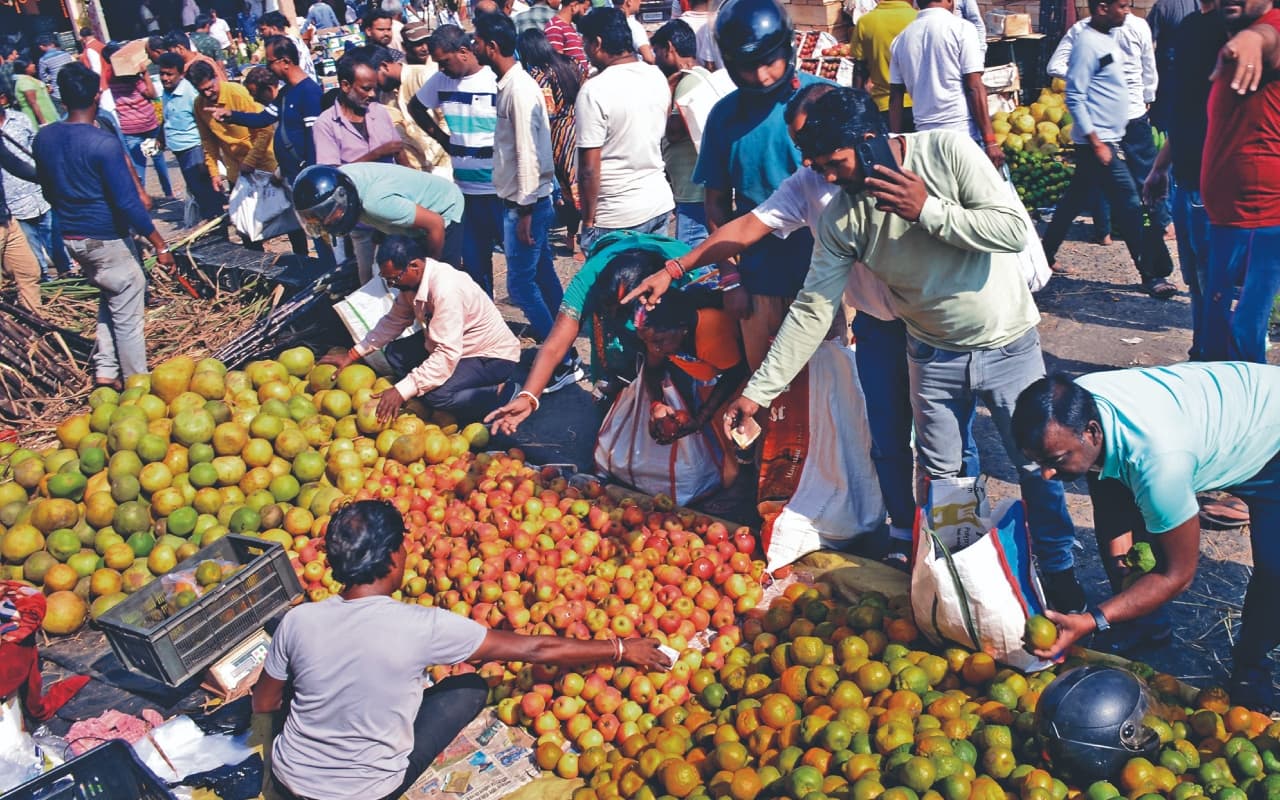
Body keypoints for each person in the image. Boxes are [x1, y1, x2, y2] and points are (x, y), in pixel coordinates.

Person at [720, 87, 1082, 611]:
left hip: (1007, 346)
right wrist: (757, 393)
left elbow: (1011, 231)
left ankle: (1060, 570)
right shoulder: (843, 218)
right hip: (932, 358)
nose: (828, 178)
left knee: (1035, 463)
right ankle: (963, 581)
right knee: (946, 482)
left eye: (835, 163)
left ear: (869, 141)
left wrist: (928, 210)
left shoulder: (948, 152)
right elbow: (812, 309)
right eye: (819, 167)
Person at [624, 82, 982, 565]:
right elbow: (753, 237)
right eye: (803, 147)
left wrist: (928, 210)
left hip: (937, 327)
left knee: (952, 443)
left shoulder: (932, 155)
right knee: (887, 434)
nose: (810, 159)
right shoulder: (813, 186)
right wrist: (676, 268)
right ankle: (902, 532)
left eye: (817, 146)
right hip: (878, 324)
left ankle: (962, 546)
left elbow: (1005, 231)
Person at [254, 499, 671, 800]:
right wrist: (619, 648)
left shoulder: (298, 621)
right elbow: (536, 648)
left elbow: (265, 701)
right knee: (470, 689)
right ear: (394, 557)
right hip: (368, 792)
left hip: (289, 781)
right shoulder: (422, 626)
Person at [1012, 364, 1280, 711]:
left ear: (1092, 432)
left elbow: (1178, 575)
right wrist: (1123, 595)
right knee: (1136, 541)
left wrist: (1094, 619)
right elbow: (1112, 513)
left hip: (1272, 440)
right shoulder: (1080, 407)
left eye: (1056, 460)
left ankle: (1251, 664)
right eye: (1039, 463)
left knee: (1274, 568)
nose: (1047, 474)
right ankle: (1145, 625)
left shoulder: (1158, 464)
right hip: (1228, 419)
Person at [692, 0, 830, 368]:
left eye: (770, 62)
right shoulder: (724, 117)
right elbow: (716, 203)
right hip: (758, 280)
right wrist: (730, 277)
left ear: (788, 48)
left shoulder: (826, 100)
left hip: (825, 280)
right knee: (766, 385)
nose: (763, 76)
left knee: (829, 384)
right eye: (748, 67)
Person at [32, 64, 176, 386]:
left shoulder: (44, 137)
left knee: (112, 296)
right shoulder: (103, 143)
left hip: (71, 238)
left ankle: (106, 372)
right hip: (106, 238)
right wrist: (160, 244)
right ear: (97, 96)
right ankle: (137, 384)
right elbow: (128, 203)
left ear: (61, 98)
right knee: (128, 315)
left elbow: (46, 188)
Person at [486, 234, 693, 434]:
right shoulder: (588, 282)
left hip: (665, 320)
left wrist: (659, 401)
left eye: (622, 312)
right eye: (609, 310)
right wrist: (528, 397)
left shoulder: (683, 289)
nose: (615, 318)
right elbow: (555, 345)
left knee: (676, 387)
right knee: (614, 372)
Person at [1041, 0, 1177, 299]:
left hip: (1126, 123)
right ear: (1103, 7)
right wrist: (1097, 140)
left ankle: (1042, 255)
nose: (1129, 11)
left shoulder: (1122, 32)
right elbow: (1072, 90)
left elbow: (1146, 69)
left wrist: (1141, 96)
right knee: (1129, 199)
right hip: (1099, 137)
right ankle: (1151, 274)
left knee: (1076, 197)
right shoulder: (1083, 37)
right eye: (1122, 6)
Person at [320, 235, 522, 421]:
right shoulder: (411, 284)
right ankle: (427, 388)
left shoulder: (446, 290)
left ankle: (498, 392)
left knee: (437, 396)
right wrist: (353, 354)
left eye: (394, 279)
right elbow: (394, 321)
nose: (392, 285)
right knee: (394, 353)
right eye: (387, 279)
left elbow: (446, 353)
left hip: (490, 356)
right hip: (452, 344)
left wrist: (401, 391)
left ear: (414, 266)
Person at [473, 14, 575, 365]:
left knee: (519, 285)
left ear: (491, 46)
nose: (473, 47)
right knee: (543, 274)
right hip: (527, 200)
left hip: (524, 204)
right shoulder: (513, 84)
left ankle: (560, 358)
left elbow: (528, 152)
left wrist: (527, 210)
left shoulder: (518, 89)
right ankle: (565, 345)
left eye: (476, 42)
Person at [1141, 0, 1226, 359]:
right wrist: (1160, 167)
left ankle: (1219, 355)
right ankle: (1201, 348)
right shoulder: (1190, 27)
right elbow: (1187, 112)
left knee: (1215, 279)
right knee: (1195, 277)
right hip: (1185, 178)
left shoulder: (1237, 30)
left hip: (1217, 182)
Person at [1199, 0, 1280, 363]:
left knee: (1242, 338)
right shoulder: (1226, 45)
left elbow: (1269, 38)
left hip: (1258, 219)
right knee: (1219, 335)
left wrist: (1253, 38)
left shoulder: (1272, 25)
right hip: (1230, 218)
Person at [409, 26, 506, 297]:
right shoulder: (441, 81)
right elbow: (415, 107)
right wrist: (442, 138)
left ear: (463, 52)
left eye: (444, 61)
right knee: (475, 265)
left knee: (520, 265)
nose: (441, 68)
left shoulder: (494, 79)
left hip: (500, 190)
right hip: (465, 192)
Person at [576, 8, 674, 253]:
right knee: (654, 277)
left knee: (614, 279)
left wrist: (587, 221)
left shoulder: (594, 90)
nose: (585, 50)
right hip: (657, 201)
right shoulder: (656, 76)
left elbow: (589, 169)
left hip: (616, 215)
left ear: (597, 43)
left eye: (585, 43)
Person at [637, 288, 749, 487]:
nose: (654, 348)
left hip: (742, 377)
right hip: (715, 374)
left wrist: (702, 417)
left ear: (682, 328)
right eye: (647, 341)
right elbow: (653, 370)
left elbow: (735, 373)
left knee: (740, 437)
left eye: (658, 341)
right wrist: (656, 404)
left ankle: (742, 481)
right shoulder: (663, 337)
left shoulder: (711, 336)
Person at [888, 0, 1002, 167]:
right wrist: (990, 141)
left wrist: (896, 142)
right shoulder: (962, 28)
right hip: (962, 136)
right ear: (949, 1)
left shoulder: (901, 39)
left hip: (925, 141)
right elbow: (974, 86)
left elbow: (895, 98)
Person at [293, 162, 465, 267]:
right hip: (413, 215)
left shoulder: (376, 203)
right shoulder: (343, 178)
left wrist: (432, 268)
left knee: (442, 283)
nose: (323, 221)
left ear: (342, 196)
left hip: (443, 209)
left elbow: (435, 223)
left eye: (325, 214)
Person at [215, 36, 324, 187]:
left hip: (305, 178)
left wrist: (311, 177)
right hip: (291, 176)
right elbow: (263, 118)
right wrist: (231, 115)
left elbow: (315, 140)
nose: (268, 68)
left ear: (285, 62)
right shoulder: (286, 92)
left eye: (270, 62)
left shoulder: (309, 92)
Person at [518, 29, 583, 259]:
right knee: (580, 183)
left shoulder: (539, 73)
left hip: (559, 134)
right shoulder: (571, 63)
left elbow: (548, 111)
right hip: (580, 125)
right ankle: (575, 237)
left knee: (568, 188)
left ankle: (577, 240)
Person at [651, 20, 712, 248]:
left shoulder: (687, 82)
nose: (656, 59)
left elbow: (674, 131)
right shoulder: (702, 75)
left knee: (691, 255)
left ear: (669, 48)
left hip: (693, 191)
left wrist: (668, 89)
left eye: (657, 52)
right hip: (696, 188)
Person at [0, 88, 67, 282]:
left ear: (3, 98)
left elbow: (33, 152)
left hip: (38, 194)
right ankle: (44, 282)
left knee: (56, 243)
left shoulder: (20, 120)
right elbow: (12, 164)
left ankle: (66, 275)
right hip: (13, 204)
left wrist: (47, 177)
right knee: (33, 261)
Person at [188, 59, 277, 199]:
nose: (208, 94)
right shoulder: (199, 105)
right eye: (202, 91)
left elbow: (265, 130)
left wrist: (250, 162)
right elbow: (208, 141)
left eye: (210, 87)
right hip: (236, 172)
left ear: (216, 77)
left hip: (263, 166)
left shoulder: (238, 93)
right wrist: (214, 173)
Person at [156, 53, 223, 222]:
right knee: (197, 189)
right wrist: (161, 136)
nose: (165, 78)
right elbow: (168, 117)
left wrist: (207, 154)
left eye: (169, 74)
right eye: (162, 73)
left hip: (194, 148)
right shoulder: (167, 92)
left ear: (180, 74)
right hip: (180, 149)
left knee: (204, 189)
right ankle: (213, 217)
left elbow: (205, 121)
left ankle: (216, 221)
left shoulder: (190, 93)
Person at [373, 43, 451, 177]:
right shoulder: (384, 95)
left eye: (374, 79)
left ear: (384, 66)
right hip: (417, 171)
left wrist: (433, 154)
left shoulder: (423, 76)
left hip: (445, 163)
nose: (373, 86)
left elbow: (447, 119)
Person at [104, 56, 174, 201]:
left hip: (129, 127)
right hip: (148, 123)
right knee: (158, 158)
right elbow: (152, 94)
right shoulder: (135, 80)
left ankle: (140, 196)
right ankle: (168, 193)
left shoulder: (111, 81)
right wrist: (145, 74)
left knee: (138, 165)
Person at [850, 0, 917, 125]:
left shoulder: (865, 22)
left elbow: (859, 69)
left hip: (883, 105)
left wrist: (856, 105)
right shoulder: (917, 19)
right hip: (919, 104)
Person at [0, 128, 43, 309]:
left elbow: (12, 162)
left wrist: (47, 177)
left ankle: (35, 320)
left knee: (28, 272)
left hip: (6, 219)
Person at [258, 12, 318, 81]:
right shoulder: (291, 40)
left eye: (263, 29)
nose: (261, 33)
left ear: (273, 29)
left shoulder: (285, 44)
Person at [544, 0, 592, 71]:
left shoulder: (570, 27)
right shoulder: (555, 27)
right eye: (584, 9)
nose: (584, 14)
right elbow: (557, 64)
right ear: (574, 6)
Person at [11, 60, 58, 127]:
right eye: (31, 64)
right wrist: (43, 123)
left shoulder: (29, 79)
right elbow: (33, 103)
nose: (34, 65)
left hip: (47, 113)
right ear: (25, 68)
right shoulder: (24, 82)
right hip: (42, 118)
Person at [36, 35, 75, 110]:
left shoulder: (43, 60)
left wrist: (49, 80)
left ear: (41, 47)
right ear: (53, 44)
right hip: (72, 87)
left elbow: (43, 76)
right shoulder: (66, 54)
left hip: (58, 92)